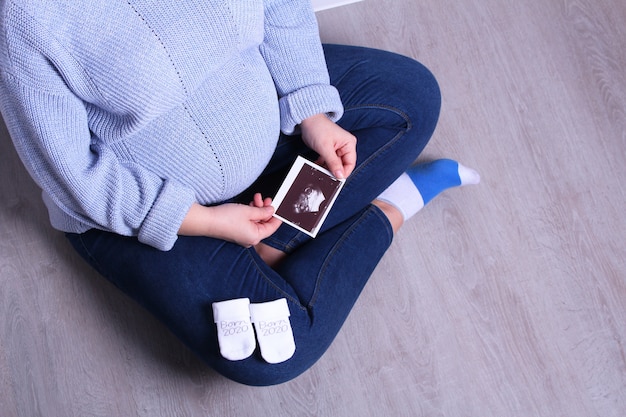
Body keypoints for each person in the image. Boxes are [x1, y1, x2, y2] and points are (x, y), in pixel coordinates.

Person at [0, 0, 479, 386]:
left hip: (265, 120)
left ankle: (274, 245)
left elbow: (280, 8)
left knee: (411, 94)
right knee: (274, 351)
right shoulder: (23, 16)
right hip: (144, 211)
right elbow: (70, 172)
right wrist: (205, 221)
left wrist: (311, 110)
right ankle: (390, 206)